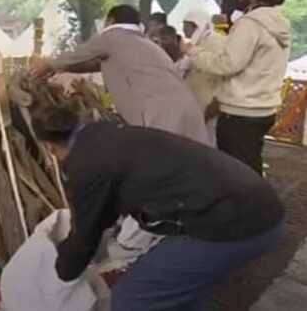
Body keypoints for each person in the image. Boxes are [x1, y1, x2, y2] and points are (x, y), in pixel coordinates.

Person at [32, 106, 284, 311]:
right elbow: (105, 213)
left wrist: (60, 277)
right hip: (259, 204)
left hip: (233, 223)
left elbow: (85, 234)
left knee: (133, 299)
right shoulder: (108, 133)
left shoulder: (86, 165)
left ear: (49, 148)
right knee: (180, 294)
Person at [32, 4, 209, 145]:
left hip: (159, 113)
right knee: (188, 162)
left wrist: (47, 64)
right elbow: (96, 64)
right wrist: (59, 68)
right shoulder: (140, 42)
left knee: (158, 163)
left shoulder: (113, 37)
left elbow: (80, 55)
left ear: (111, 20)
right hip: (185, 106)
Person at [181, 0, 291, 174]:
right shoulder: (279, 22)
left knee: (236, 171)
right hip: (264, 108)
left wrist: (192, 51)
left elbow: (227, 64)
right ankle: (255, 202)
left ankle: (249, 205)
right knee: (250, 164)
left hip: (240, 112)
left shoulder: (250, 24)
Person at [179, 9, 227, 145]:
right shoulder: (196, 43)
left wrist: (215, 103)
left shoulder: (217, 42)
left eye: (186, 25)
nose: (183, 29)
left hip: (211, 104)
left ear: (196, 25)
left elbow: (223, 73)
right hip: (196, 104)